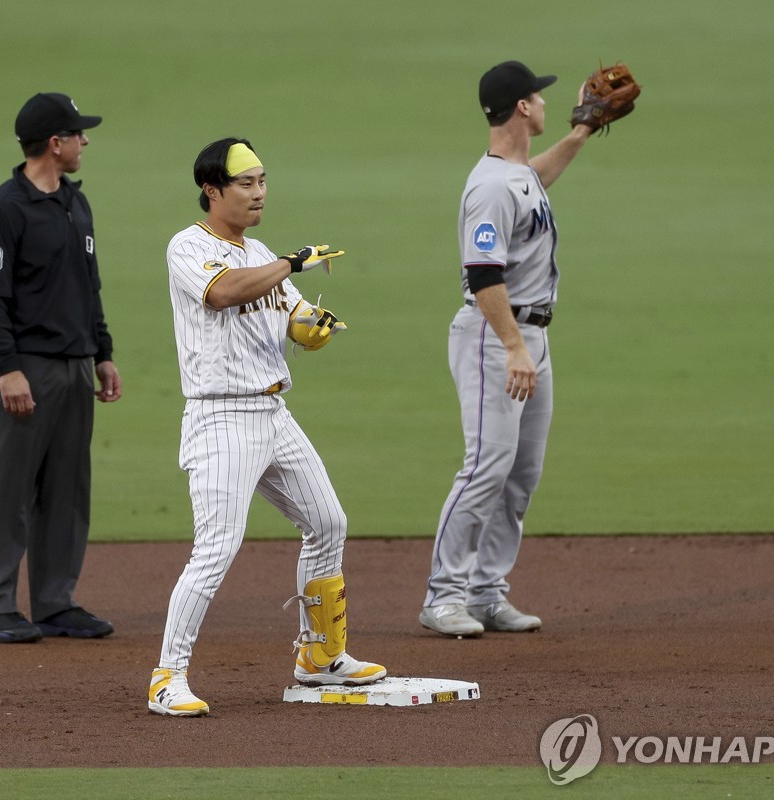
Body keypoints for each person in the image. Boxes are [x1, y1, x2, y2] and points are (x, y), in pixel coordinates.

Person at [148, 137, 386, 716]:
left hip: (273, 413)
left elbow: (293, 314)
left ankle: (319, 657)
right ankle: (167, 677)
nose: (259, 193)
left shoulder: (260, 251)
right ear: (212, 191)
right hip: (220, 417)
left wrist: (315, 325)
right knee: (217, 547)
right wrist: (289, 264)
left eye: (262, 181)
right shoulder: (188, 247)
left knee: (327, 522)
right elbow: (225, 292)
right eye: (246, 183)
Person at [420, 61, 616, 637]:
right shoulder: (489, 188)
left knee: (520, 473)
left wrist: (579, 134)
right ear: (522, 108)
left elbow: (534, 183)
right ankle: (443, 596)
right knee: (486, 467)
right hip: (495, 334)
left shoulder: (516, 174)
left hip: (528, 336)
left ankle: (485, 593)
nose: (545, 101)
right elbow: (483, 277)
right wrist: (513, 347)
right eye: (538, 95)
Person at [0, 92, 122, 643]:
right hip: (24, 366)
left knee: (66, 489)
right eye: (78, 134)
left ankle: (55, 602)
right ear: (54, 144)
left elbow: (90, 286)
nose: (85, 141)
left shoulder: (77, 205)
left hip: (76, 365)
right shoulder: (2, 210)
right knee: (6, 489)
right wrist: (7, 368)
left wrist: (102, 352)